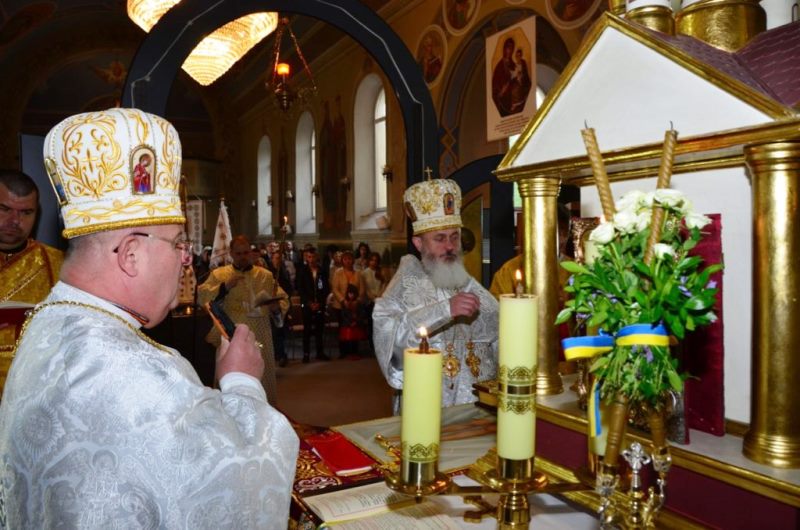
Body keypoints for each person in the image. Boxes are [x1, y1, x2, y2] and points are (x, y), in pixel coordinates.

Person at [0, 108, 298, 528]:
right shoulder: (131, 372)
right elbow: (236, 483)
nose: (185, 260)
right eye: (178, 243)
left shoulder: (51, 322)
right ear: (131, 254)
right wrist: (242, 381)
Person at [373, 178, 499, 412]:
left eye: (454, 236)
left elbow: (499, 334)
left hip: (479, 410)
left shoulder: (468, 283)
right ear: (419, 243)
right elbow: (388, 340)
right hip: (428, 408)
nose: (450, 246)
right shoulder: (406, 283)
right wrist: (444, 310)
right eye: (439, 238)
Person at [198, 235, 289, 405]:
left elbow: (283, 300)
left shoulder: (266, 276)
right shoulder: (220, 275)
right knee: (231, 380)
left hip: (260, 335)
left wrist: (276, 308)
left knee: (261, 379)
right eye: (238, 253)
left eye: (246, 252)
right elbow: (203, 298)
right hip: (231, 336)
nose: (243, 256)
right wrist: (225, 287)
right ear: (231, 253)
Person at [0, 169, 64, 396]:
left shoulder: (58, 264)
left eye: (26, 212)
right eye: (4, 209)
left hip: (32, 391)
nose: (14, 221)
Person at [296, 246, 330, 363]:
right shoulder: (303, 271)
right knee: (307, 330)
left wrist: (320, 303)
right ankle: (306, 353)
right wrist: (309, 302)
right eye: (309, 257)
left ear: (317, 257)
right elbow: (301, 289)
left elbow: (325, 288)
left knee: (319, 329)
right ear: (307, 258)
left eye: (313, 256)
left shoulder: (322, 271)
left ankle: (320, 352)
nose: (311, 259)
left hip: (319, 304)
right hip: (307, 304)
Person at [331, 250, 366, 358]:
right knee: (343, 327)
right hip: (340, 306)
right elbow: (335, 288)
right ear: (342, 260)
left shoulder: (358, 273)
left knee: (354, 327)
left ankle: (354, 351)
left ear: (353, 260)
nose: (347, 261)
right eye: (345, 259)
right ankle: (343, 351)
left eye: (349, 259)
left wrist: (357, 301)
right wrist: (343, 300)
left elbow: (362, 290)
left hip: (355, 306)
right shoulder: (338, 272)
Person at [267, 248, 293, 367]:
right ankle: (277, 355)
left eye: (280, 258)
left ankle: (281, 354)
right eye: (276, 258)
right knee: (275, 332)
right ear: (272, 259)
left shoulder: (283, 271)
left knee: (280, 332)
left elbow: (288, 288)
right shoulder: (269, 274)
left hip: (282, 304)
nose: (278, 260)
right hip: (272, 306)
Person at [491, 37, 518, 117]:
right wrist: (501, 91)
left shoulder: (513, 64)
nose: (510, 50)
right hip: (503, 100)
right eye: (508, 47)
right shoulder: (499, 66)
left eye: (512, 48)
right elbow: (494, 84)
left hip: (511, 98)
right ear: (504, 48)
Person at [339, 284, 368, 359]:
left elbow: (362, 314)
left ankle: (356, 352)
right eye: (349, 294)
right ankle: (349, 353)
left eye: (352, 294)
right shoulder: (344, 303)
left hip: (356, 324)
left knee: (355, 340)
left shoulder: (359, 303)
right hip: (347, 324)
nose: (351, 295)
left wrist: (356, 321)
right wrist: (349, 322)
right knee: (349, 340)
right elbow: (343, 315)